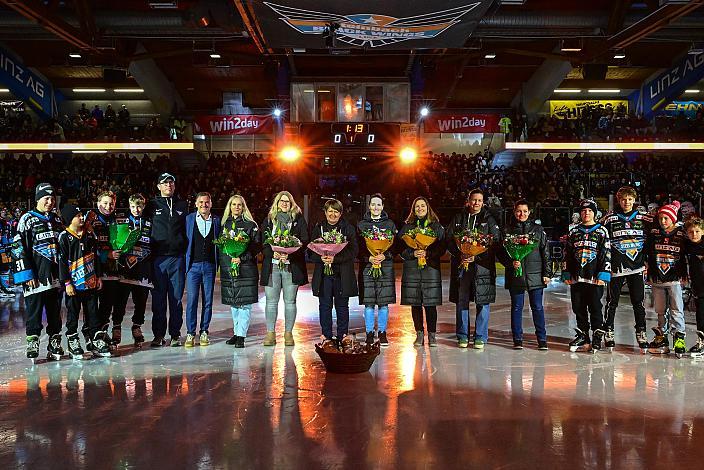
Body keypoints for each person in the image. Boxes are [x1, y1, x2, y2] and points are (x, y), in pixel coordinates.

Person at [11, 183, 65, 360]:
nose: (50, 202)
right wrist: (26, 275)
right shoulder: (27, 219)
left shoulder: (57, 220)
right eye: (46, 198)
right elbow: (18, 248)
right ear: (37, 200)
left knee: (54, 313)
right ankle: (33, 341)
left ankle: (55, 341)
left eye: (52, 199)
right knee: (34, 312)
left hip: (54, 277)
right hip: (35, 278)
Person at [447, 189, 500, 350]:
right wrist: (460, 254)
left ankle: (480, 336)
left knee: (482, 301)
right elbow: (449, 239)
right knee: (462, 300)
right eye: (473, 200)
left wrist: (475, 257)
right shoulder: (458, 218)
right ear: (468, 201)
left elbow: (495, 242)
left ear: (483, 202)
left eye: (479, 200)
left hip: (482, 267)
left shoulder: (489, 219)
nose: (476, 203)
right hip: (462, 267)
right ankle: (462, 335)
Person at [601, 186, 652, 351]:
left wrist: (647, 261)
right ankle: (608, 331)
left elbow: (653, 238)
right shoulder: (611, 219)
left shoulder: (643, 218)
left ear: (634, 200)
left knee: (638, 302)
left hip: (636, 267)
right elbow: (602, 240)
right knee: (611, 302)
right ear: (619, 200)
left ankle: (641, 332)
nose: (627, 202)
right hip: (616, 267)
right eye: (623, 199)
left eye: (630, 199)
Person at [57, 204, 110, 358]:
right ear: (69, 219)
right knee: (73, 313)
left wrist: (98, 276)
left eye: (81, 215)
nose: (81, 218)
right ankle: (73, 339)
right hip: (74, 285)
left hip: (90, 282)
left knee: (93, 313)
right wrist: (66, 282)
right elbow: (61, 262)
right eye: (77, 216)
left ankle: (95, 339)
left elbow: (96, 258)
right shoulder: (64, 237)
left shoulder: (89, 235)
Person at [498, 199, 550, 350]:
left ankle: (542, 339)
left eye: (525, 211)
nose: (522, 214)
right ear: (514, 212)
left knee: (538, 307)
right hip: (516, 275)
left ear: (529, 212)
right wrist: (510, 263)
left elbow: (545, 252)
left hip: (536, 275)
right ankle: (518, 339)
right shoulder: (507, 230)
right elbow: (500, 253)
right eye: (519, 211)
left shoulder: (538, 230)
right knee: (516, 307)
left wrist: (546, 273)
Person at [260, 191, 309, 347]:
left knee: (290, 301)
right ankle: (270, 333)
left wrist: (290, 254)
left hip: (291, 267)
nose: (284, 204)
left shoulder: (298, 220)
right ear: (277, 203)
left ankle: (288, 333)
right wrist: (272, 252)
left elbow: (305, 241)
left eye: (287, 202)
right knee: (271, 302)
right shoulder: (269, 220)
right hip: (272, 266)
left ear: (292, 204)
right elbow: (263, 243)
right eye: (282, 201)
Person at [562, 199, 611, 352]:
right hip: (577, 277)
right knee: (578, 307)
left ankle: (597, 334)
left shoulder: (602, 231)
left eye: (589, 211)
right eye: (583, 211)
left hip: (594, 277)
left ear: (595, 213)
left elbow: (606, 253)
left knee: (595, 306)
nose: (586, 213)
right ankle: (584, 334)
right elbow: (567, 253)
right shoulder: (574, 231)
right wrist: (566, 272)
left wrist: (604, 274)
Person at [145, 172, 188, 347]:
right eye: (165, 183)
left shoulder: (183, 204)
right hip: (158, 260)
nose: (168, 186)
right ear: (158, 186)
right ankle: (158, 335)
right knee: (158, 300)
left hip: (177, 258)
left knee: (176, 299)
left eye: (171, 182)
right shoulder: (151, 205)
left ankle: (175, 334)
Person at [309, 199, 358, 341]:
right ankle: (327, 336)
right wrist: (322, 258)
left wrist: (335, 259)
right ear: (325, 212)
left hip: (342, 274)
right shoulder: (318, 228)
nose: (333, 214)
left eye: (336, 211)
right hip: (324, 274)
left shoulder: (348, 228)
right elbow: (311, 252)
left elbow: (354, 251)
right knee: (325, 305)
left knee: (342, 306)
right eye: (330, 211)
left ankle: (343, 335)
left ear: (341, 213)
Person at [399, 197, 445, 347]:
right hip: (412, 269)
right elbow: (399, 249)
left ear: (427, 207)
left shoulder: (436, 226)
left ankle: (432, 335)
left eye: (422, 205)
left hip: (430, 269)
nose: (420, 208)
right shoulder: (407, 227)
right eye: (417, 206)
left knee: (430, 303)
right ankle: (419, 334)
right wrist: (412, 254)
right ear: (413, 209)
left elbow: (442, 248)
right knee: (415, 303)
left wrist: (428, 254)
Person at [646, 201, 687, 355]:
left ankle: (679, 336)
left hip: (674, 278)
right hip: (657, 278)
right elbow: (646, 252)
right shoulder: (654, 233)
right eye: (661, 218)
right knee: (660, 309)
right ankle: (661, 335)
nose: (663, 221)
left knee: (677, 309)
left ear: (673, 219)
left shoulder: (681, 234)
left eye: (666, 218)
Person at [220, 195, 260, 348]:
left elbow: (256, 247)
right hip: (230, 270)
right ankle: (236, 333)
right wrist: (230, 261)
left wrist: (242, 258)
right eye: (234, 204)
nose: (237, 207)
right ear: (229, 207)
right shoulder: (225, 225)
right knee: (234, 303)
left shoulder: (251, 225)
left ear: (244, 207)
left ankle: (242, 336)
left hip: (246, 270)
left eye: (240, 205)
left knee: (244, 304)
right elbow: (222, 247)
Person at [357, 194, 397, 346]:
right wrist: (369, 258)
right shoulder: (361, 225)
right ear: (369, 206)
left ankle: (382, 332)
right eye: (373, 204)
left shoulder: (390, 224)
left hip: (385, 266)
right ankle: (369, 332)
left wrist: (385, 256)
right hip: (368, 267)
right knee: (369, 303)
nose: (375, 207)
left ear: (382, 207)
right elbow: (358, 248)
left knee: (383, 302)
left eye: (378, 204)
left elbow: (396, 246)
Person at [113, 193, 152, 346]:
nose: (136, 209)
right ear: (129, 206)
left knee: (141, 301)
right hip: (124, 269)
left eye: (140, 206)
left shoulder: (149, 222)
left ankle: (137, 326)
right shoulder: (121, 221)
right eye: (133, 206)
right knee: (120, 301)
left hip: (142, 268)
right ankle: (116, 327)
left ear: (144, 206)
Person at [184, 192, 221, 347]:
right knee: (192, 300)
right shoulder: (189, 219)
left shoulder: (217, 221)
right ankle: (190, 333)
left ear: (210, 204)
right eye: (201, 202)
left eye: (206, 202)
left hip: (210, 266)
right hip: (193, 267)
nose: (204, 205)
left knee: (208, 301)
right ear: (196, 204)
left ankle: (204, 331)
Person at [87, 191, 123, 346]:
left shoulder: (118, 220)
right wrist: (106, 254)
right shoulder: (90, 220)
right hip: (95, 271)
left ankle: (101, 334)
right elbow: (87, 247)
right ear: (98, 203)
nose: (109, 206)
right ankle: (90, 336)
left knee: (108, 305)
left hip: (113, 271)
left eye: (111, 203)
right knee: (92, 306)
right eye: (105, 203)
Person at [684, 217, 704, 356]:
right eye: (691, 232)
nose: (694, 234)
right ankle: (701, 341)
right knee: (701, 315)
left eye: (697, 231)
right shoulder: (687, 246)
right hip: (698, 287)